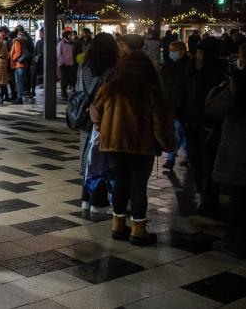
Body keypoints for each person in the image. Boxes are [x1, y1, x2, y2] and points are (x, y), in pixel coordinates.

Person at [90, 51, 177, 246]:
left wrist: (103, 127)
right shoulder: (153, 91)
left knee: (120, 183)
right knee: (138, 186)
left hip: (114, 145)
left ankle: (118, 226)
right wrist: (170, 145)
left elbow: (95, 112)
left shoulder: (110, 88)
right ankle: (138, 230)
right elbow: (160, 125)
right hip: (142, 147)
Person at [207, 43, 246, 258]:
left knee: (239, 200)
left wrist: (218, 88)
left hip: (239, 147)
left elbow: (214, 107)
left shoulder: (237, 83)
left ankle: (234, 243)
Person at [77, 33, 119, 215]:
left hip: (85, 117)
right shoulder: (110, 72)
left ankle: (86, 199)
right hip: (103, 120)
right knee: (101, 161)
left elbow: (80, 90)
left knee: (88, 158)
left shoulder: (84, 66)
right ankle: (98, 202)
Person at [185, 37, 227, 213]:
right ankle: (203, 192)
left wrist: (214, 125)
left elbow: (219, 104)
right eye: (197, 52)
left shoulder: (219, 74)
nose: (198, 56)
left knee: (208, 161)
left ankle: (209, 197)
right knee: (196, 160)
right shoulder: (193, 71)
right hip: (193, 122)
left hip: (209, 125)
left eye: (201, 52)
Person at [161, 41, 192, 170]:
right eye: (170, 50)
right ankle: (190, 154)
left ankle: (170, 158)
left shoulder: (188, 66)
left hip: (181, 103)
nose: (171, 53)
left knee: (177, 131)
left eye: (174, 51)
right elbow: (164, 85)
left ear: (182, 51)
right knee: (181, 133)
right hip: (170, 103)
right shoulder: (167, 66)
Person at [10, 29, 29, 104]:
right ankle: (19, 97)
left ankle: (19, 98)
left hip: (18, 64)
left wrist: (13, 58)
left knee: (19, 82)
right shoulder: (23, 41)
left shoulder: (17, 42)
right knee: (20, 81)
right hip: (22, 64)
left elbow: (18, 52)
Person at [57, 31, 76, 99]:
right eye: (69, 35)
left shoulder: (72, 43)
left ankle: (65, 90)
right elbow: (59, 54)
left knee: (68, 77)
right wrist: (62, 62)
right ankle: (63, 91)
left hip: (70, 63)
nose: (71, 36)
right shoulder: (61, 43)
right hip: (63, 64)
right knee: (64, 78)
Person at [30, 27, 44, 98]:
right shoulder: (38, 42)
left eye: (41, 33)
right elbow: (34, 53)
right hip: (37, 62)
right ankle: (33, 91)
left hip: (44, 63)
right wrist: (33, 63)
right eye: (40, 33)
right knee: (33, 76)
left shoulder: (48, 42)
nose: (40, 35)